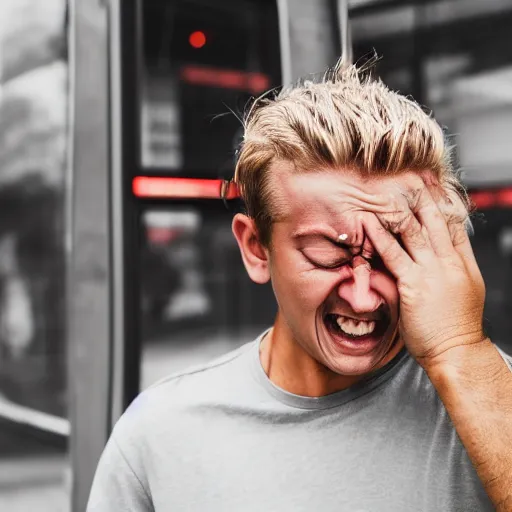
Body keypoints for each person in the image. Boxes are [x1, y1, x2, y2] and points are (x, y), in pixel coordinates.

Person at [87, 62, 512, 512]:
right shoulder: (160, 434)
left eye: (395, 254)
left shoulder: (489, 396)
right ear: (256, 248)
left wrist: (459, 348)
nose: (363, 297)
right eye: (328, 254)